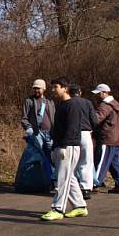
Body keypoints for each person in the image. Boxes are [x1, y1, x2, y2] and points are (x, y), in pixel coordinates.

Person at [41, 77, 89, 221]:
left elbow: (73, 128)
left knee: (62, 178)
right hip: (61, 145)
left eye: (56, 87)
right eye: (53, 87)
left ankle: (58, 208)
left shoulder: (72, 105)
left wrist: (63, 146)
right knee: (70, 177)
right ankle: (80, 206)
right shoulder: (62, 104)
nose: (53, 90)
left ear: (65, 88)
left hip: (68, 146)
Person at [92, 83, 119, 194]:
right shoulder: (117, 105)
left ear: (104, 93)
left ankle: (94, 184)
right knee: (115, 163)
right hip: (117, 139)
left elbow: (96, 119)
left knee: (101, 162)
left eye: (98, 93)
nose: (98, 96)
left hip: (106, 139)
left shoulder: (104, 105)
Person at [21, 78, 55, 187]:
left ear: (44, 89)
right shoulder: (29, 101)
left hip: (49, 133)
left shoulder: (49, 102)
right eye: (34, 88)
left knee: (51, 156)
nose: (36, 90)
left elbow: (54, 117)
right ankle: (39, 180)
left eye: (38, 88)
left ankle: (53, 180)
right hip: (37, 133)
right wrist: (29, 129)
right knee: (38, 156)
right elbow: (24, 118)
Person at [69, 84, 98, 200]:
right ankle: (86, 189)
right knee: (86, 161)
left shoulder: (67, 103)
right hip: (85, 133)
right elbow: (94, 120)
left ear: (70, 92)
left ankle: (73, 188)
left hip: (71, 134)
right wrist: (95, 133)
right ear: (80, 92)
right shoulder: (87, 103)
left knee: (72, 161)